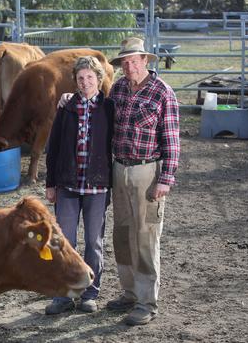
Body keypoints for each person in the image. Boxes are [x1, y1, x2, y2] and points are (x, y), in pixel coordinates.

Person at [57, 37, 180, 325]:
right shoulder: (120, 89)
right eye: (124, 61)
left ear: (145, 61)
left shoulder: (162, 92)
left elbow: (172, 140)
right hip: (118, 170)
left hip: (147, 171)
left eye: (134, 60)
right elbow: (95, 109)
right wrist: (68, 98)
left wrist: (166, 178)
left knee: (146, 236)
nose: (129, 65)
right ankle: (129, 293)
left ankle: (147, 302)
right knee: (122, 234)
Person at [44, 56, 114, 315]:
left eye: (90, 78)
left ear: (99, 79)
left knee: (94, 241)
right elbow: (53, 149)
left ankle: (89, 292)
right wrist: (51, 183)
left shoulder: (109, 108)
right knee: (65, 241)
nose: (85, 83)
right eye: (80, 78)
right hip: (68, 185)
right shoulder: (66, 107)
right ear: (75, 81)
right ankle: (63, 294)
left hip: (98, 186)